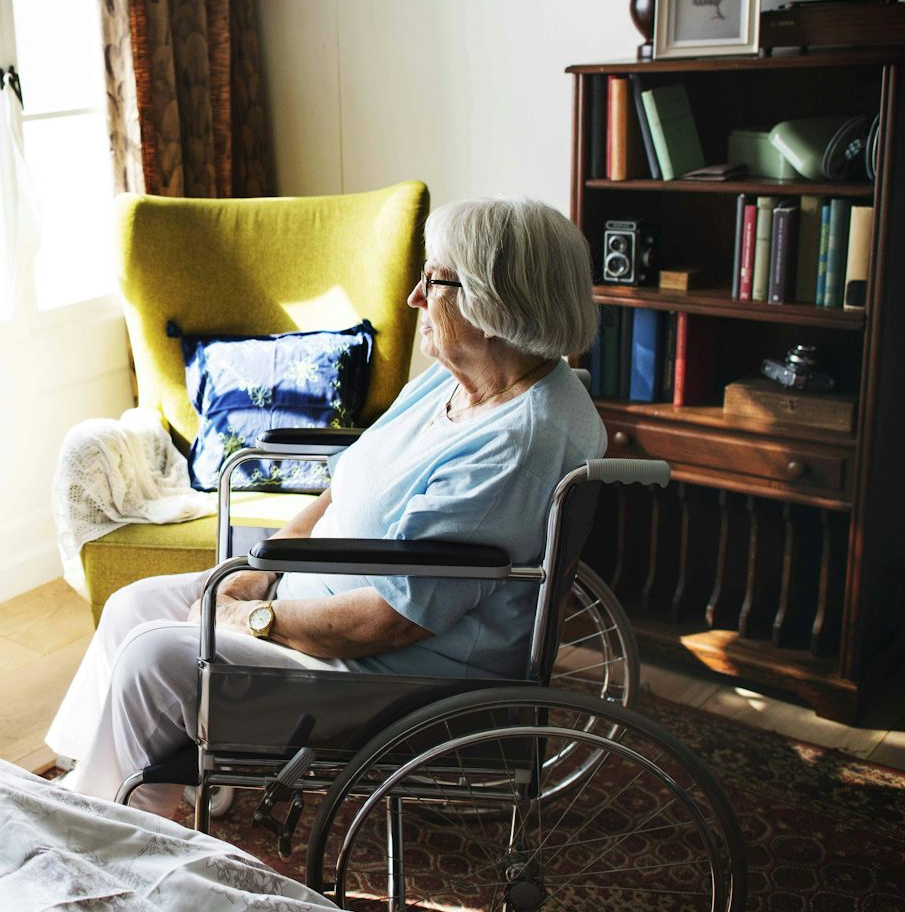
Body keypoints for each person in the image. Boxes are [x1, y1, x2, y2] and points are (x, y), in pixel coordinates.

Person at [46, 196, 605, 817]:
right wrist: (265, 568)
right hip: (314, 607)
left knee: (155, 656)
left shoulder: (515, 445)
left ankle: (121, 828)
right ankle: (92, 787)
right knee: (134, 606)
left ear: (496, 303)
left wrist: (250, 620)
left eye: (435, 279)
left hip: (388, 677)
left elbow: (393, 621)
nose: (415, 297)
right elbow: (345, 483)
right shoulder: (454, 381)